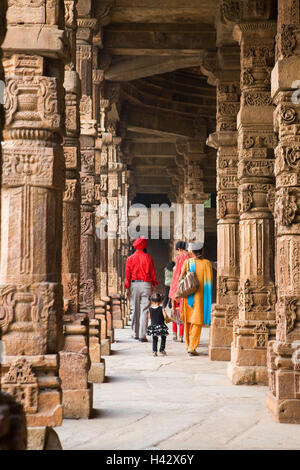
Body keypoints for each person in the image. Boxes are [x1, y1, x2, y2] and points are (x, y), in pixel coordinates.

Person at [177, 242, 213, 356]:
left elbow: (180, 277)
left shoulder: (187, 262)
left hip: (189, 297)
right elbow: (209, 282)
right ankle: (192, 346)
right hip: (201, 297)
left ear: (192, 252)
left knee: (188, 321)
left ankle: (188, 344)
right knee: (197, 322)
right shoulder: (207, 263)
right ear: (202, 252)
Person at [125, 236, 158, 342]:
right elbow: (153, 273)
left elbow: (127, 275)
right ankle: (142, 335)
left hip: (134, 285)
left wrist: (127, 287)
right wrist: (154, 286)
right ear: (144, 246)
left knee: (135, 309)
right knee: (144, 310)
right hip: (146, 285)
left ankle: (135, 333)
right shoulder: (148, 258)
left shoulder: (130, 259)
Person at [169, 241, 192, 342]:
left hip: (179, 284)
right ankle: (184, 335)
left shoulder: (180, 257)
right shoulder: (190, 256)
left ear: (178, 249)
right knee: (185, 312)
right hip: (189, 285)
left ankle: (175, 334)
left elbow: (177, 273)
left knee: (175, 311)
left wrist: (174, 287)